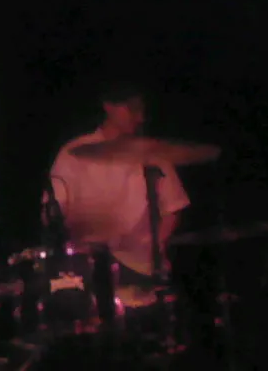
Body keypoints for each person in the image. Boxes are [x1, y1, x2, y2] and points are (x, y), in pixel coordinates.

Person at [44, 82, 191, 303]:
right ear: (108, 106)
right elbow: (53, 212)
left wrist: (155, 245)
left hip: (142, 271)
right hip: (90, 270)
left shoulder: (151, 154)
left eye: (141, 110)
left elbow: (173, 207)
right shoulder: (72, 153)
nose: (140, 118)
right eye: (132, 109)